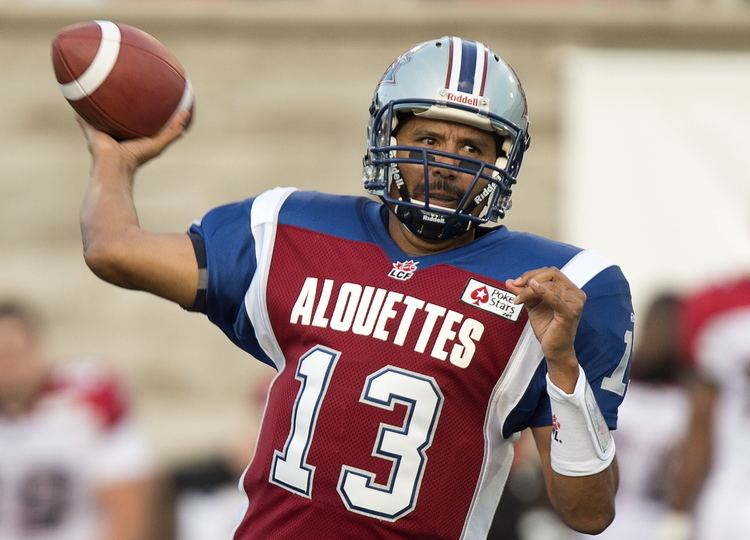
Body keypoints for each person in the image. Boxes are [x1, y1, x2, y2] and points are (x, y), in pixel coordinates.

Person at [76, 36, 634, 539]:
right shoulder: (291, 230)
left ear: (500, 163)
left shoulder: (560, 287)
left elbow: (588, 513)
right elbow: (113, 250)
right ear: (389, 137)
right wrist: (113, 163)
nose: (445, 163)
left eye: (472, 149)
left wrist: (562, 364)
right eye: (429, 137)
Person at [0, 301, 155, 540]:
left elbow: (128, 507)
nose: (7, 367)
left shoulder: (88, 398)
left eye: (13, 353)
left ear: (36, 349)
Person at [572, 293, 690, 540]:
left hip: (655, 523)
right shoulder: (612, 385)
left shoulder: (689, 400)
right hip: (597, 521)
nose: (665, 336)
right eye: (659, 325)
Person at [663, 276, 750, 540]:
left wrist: (677, 512)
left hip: (729, 503)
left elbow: (700, 429)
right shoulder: (721, 314)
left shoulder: (723, 317)